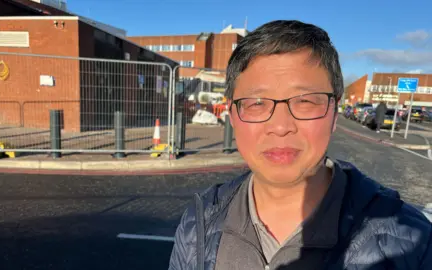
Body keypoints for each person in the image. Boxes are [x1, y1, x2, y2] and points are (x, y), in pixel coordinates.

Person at [168, 20, 431, 270]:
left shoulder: (412, 243)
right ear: (233, 115)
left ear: (334, 112)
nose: (281, 126)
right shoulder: (199, 221)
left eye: (305, 101)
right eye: (257, 103)